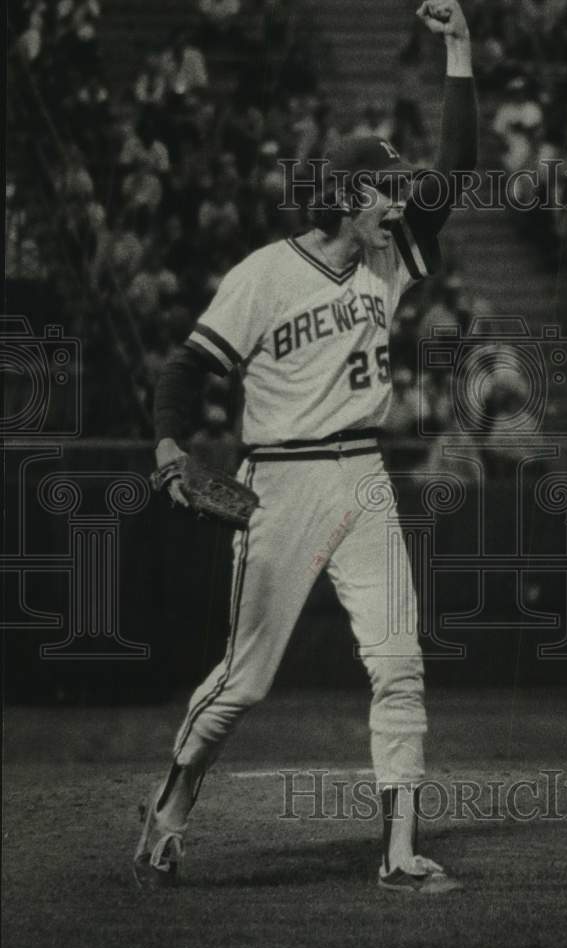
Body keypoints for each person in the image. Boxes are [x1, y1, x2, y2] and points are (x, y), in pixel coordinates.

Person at [134, 0, 477, 895]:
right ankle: (172, 803)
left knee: (398, 662)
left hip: (363, 475)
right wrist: (171, 450)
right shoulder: (264, 273)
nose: (398, 199)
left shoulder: (390, 255)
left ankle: (399, 852)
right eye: (383, 188)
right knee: (243, 685)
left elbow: (459, 175)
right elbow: (186, 367)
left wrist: (459, 49)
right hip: (280, 483)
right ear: (346, 195)